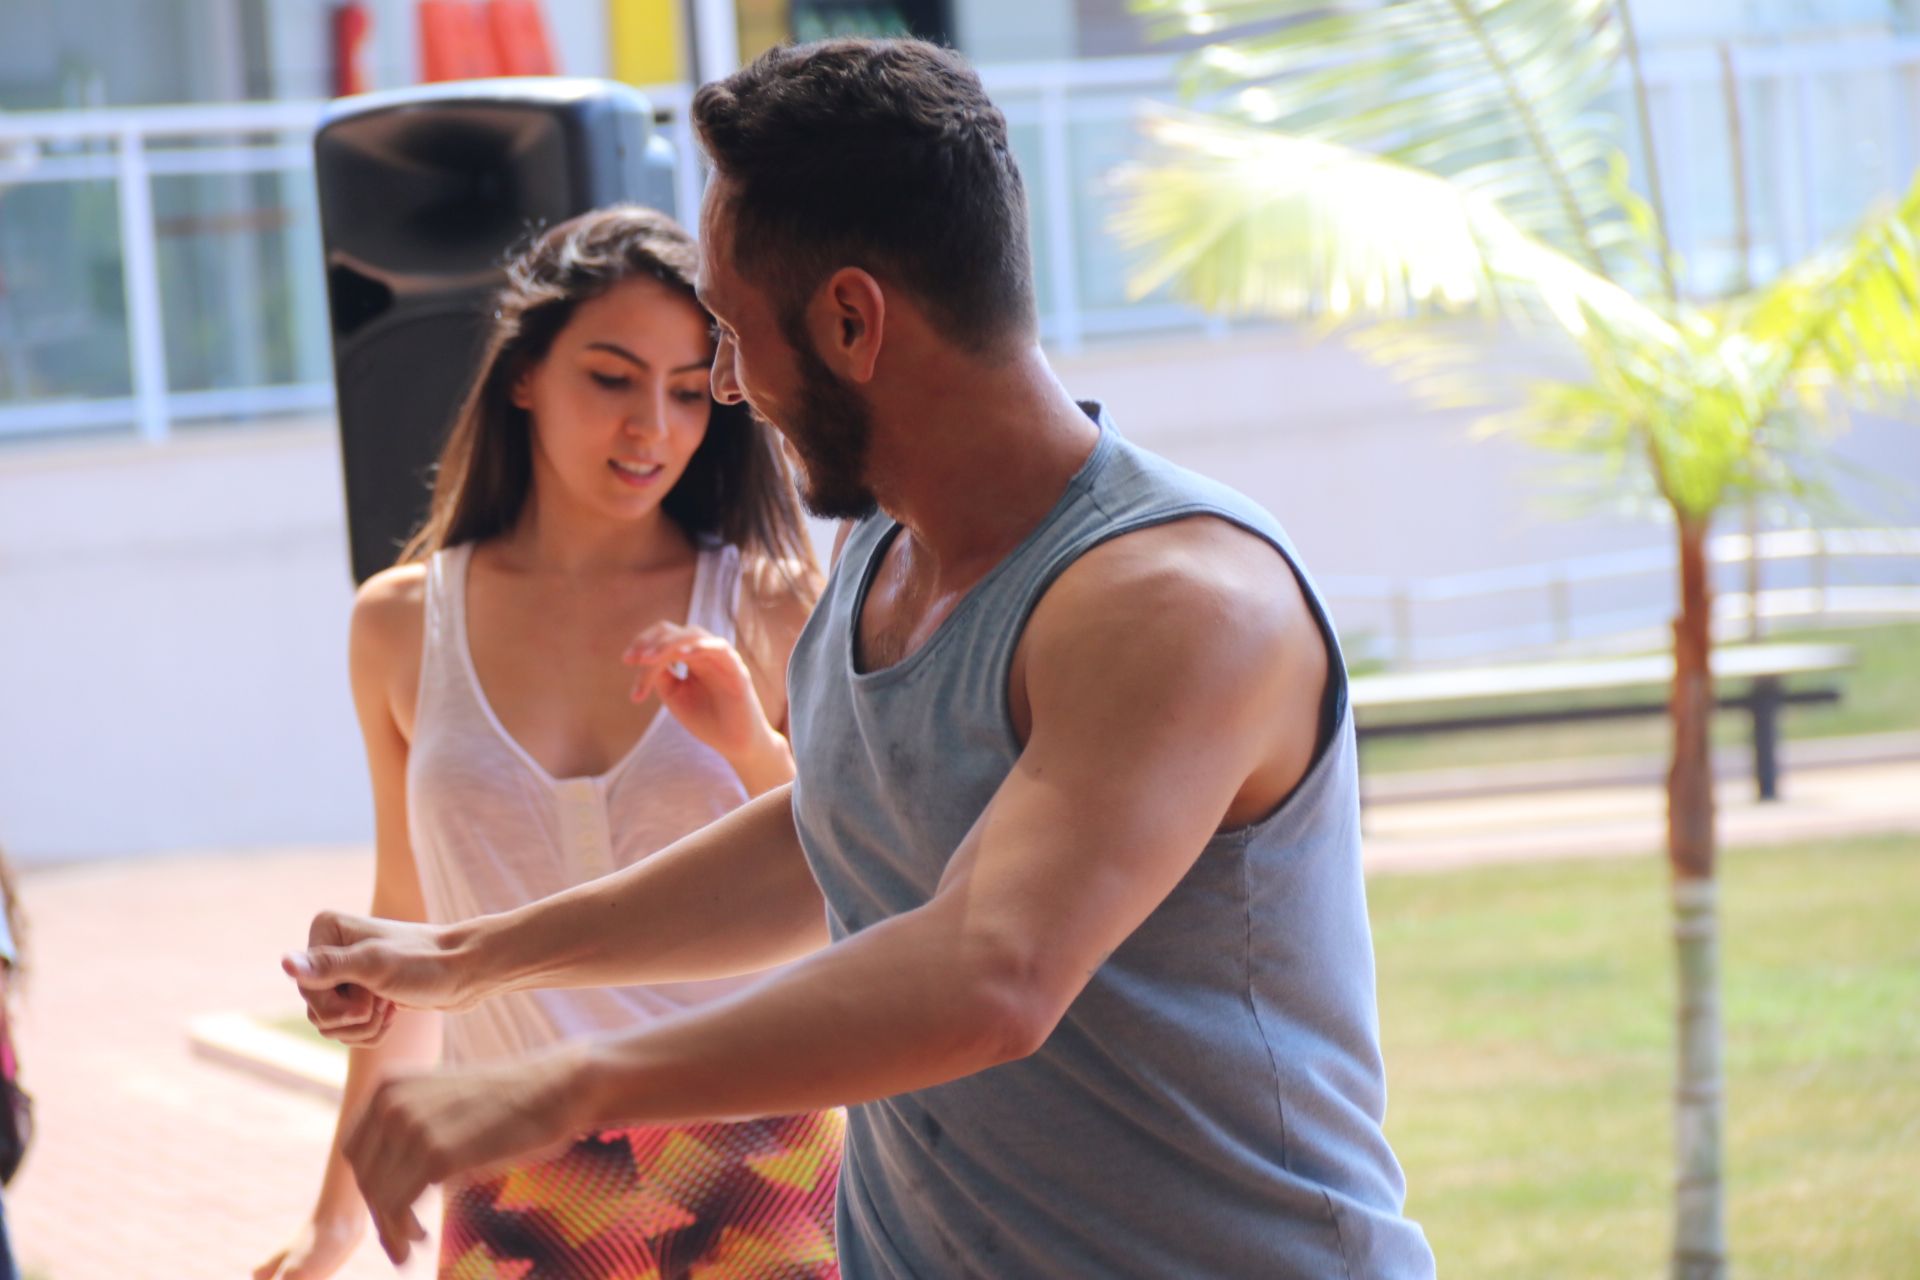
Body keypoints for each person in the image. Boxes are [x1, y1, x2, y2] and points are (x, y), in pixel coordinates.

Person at [285, 38, 1438, 1279]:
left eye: (730, 337)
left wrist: (560, 1085)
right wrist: (465, 956)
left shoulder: (1176, 602)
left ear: (850, 319)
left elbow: (991, 972)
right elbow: (827, 835)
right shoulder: (883, 548)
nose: (729, 388)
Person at [257, 206, 840, 1280]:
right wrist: (334, 1222)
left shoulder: (769, 604)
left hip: (759, 1160)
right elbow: (415, 925)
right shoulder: (399, 625)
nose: (651, 428)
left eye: (687, 391)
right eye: (612, 378)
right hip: (515, 1175)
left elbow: (845, 879)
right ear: (523, 374)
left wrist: (752, 746)